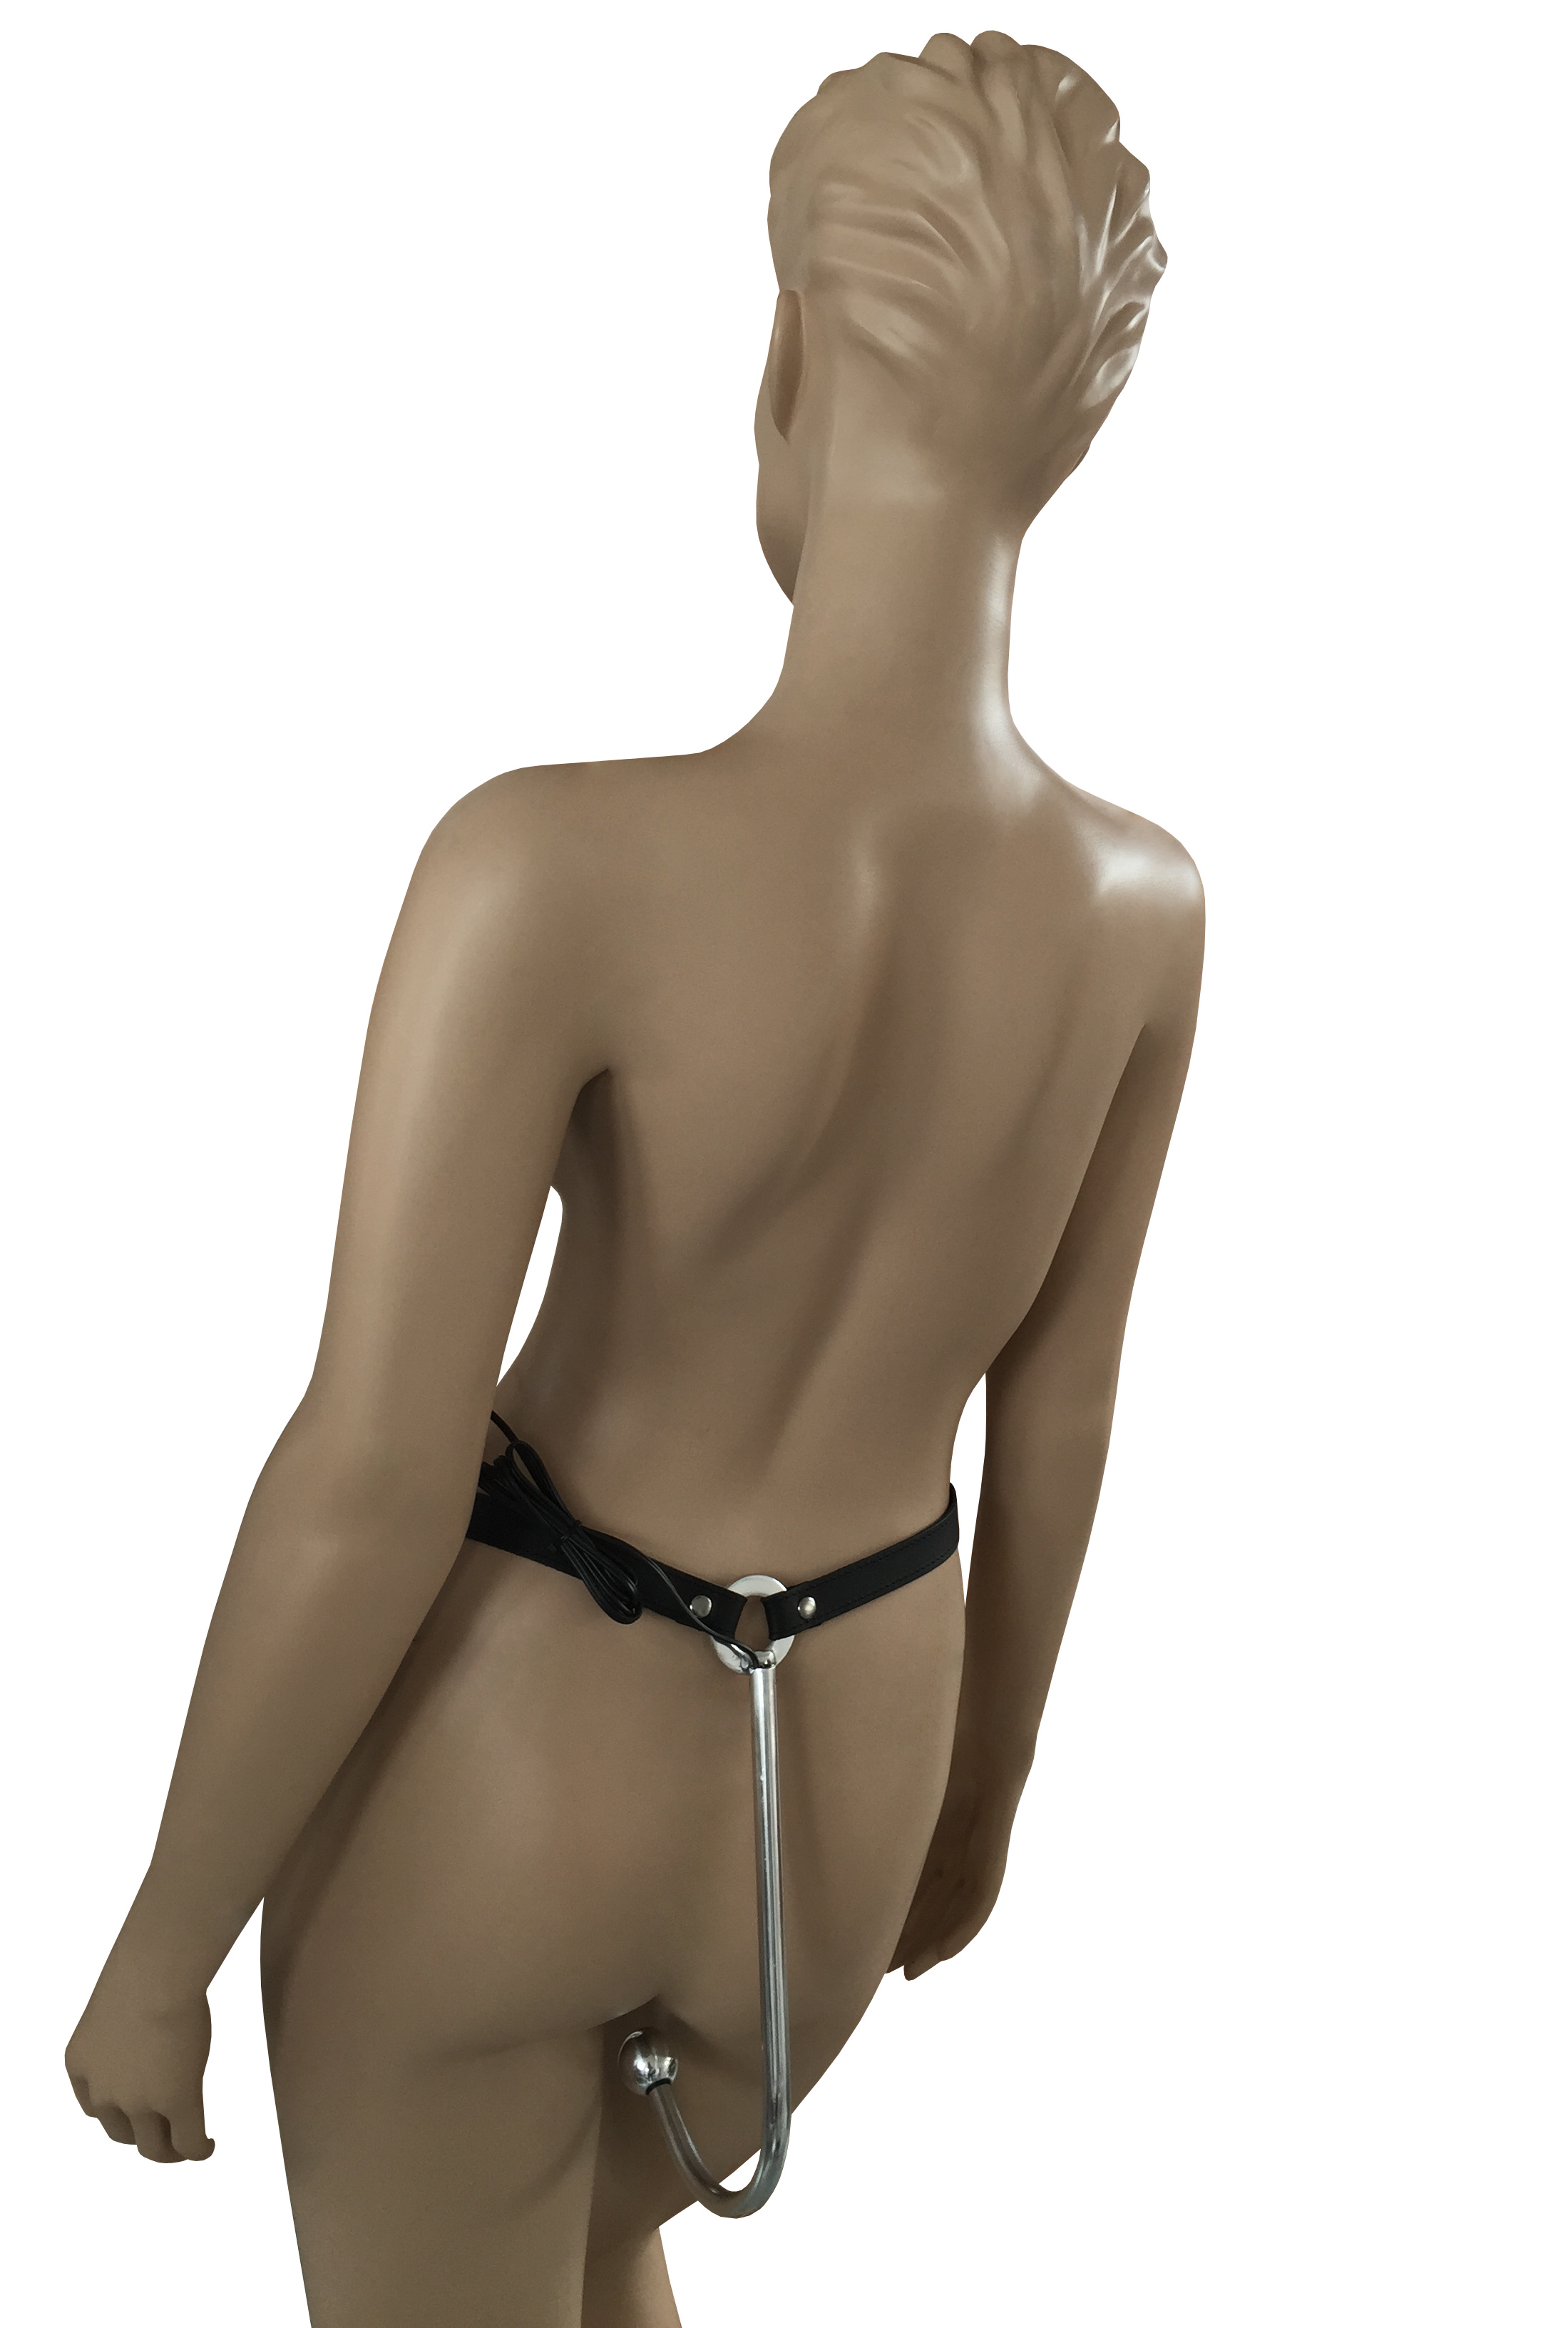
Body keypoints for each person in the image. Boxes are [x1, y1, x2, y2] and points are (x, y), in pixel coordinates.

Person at [65, 30, 1202, 2327]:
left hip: (510, 1783)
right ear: (1073, 430)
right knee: (598, 2271)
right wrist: (978, 1814)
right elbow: (1060, 1412)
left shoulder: (548, 869)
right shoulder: (1141, 913)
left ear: (786, 362)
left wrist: (162, 1946)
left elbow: (372, 1469)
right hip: (843, 1809)